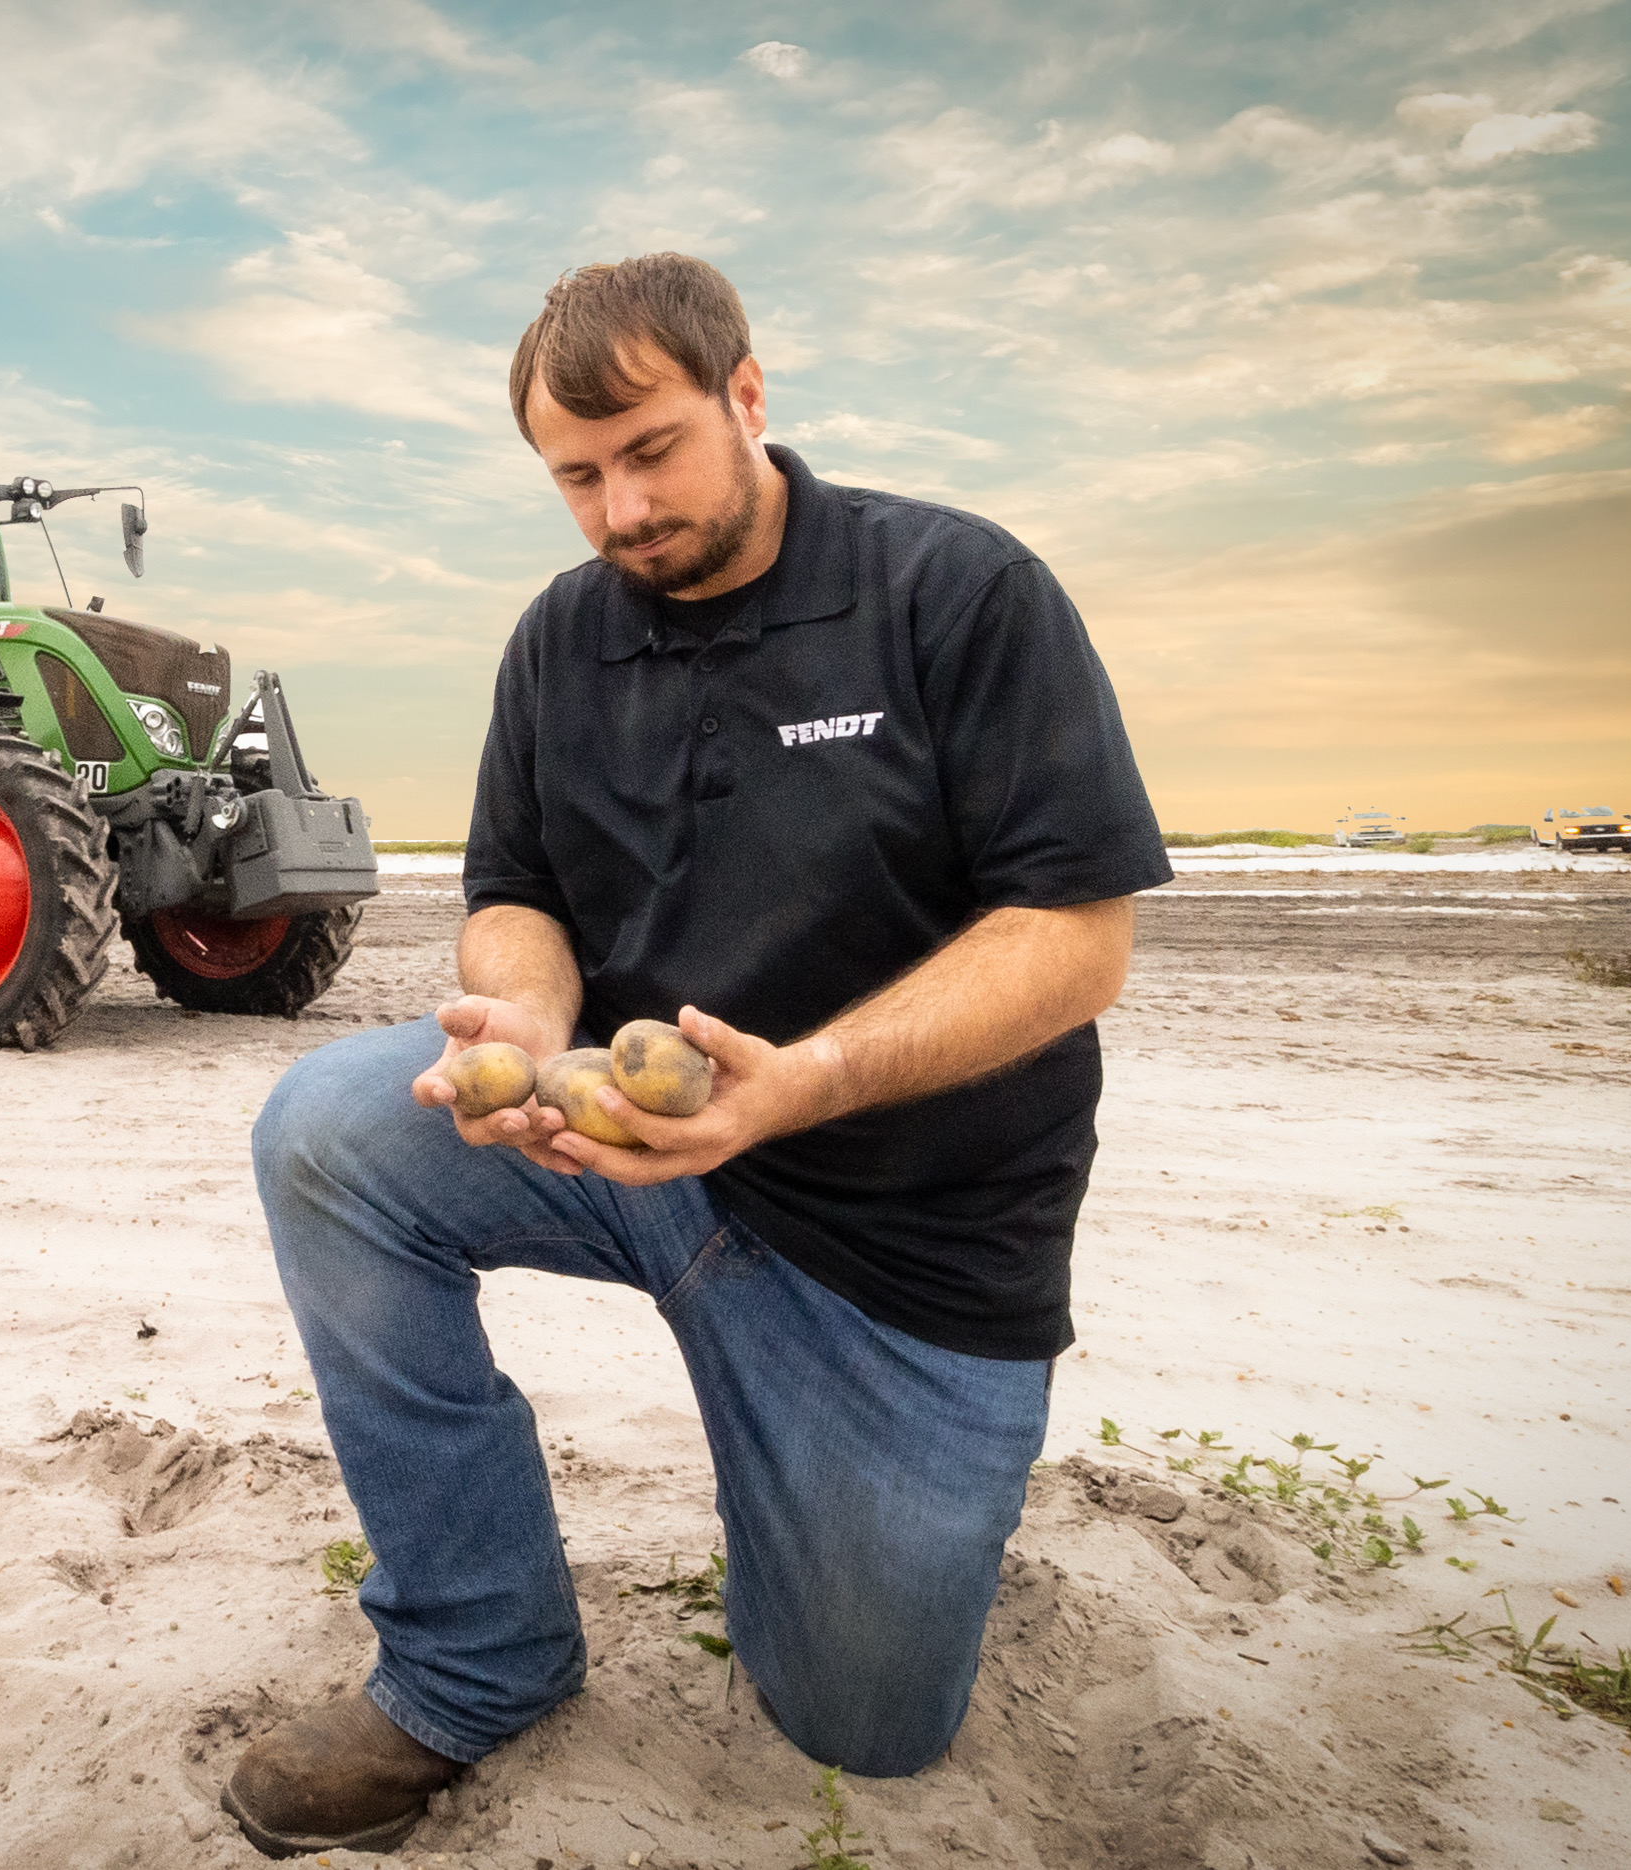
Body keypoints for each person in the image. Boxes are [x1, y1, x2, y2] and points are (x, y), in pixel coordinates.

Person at [223, 253, 1172, 1858]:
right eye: (574, 478)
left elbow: (1075, 940)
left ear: (745, 393)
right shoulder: (561, 642)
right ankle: (473, 1655)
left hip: (903, 1249)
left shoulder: (953, 588)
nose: (616, 511)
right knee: (326, 1130)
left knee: (862, 1724)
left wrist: (799, 1083)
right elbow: (516, 889)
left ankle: (829, 1511)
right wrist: (522, 1024)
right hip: (638, 1166)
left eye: (647, 451)